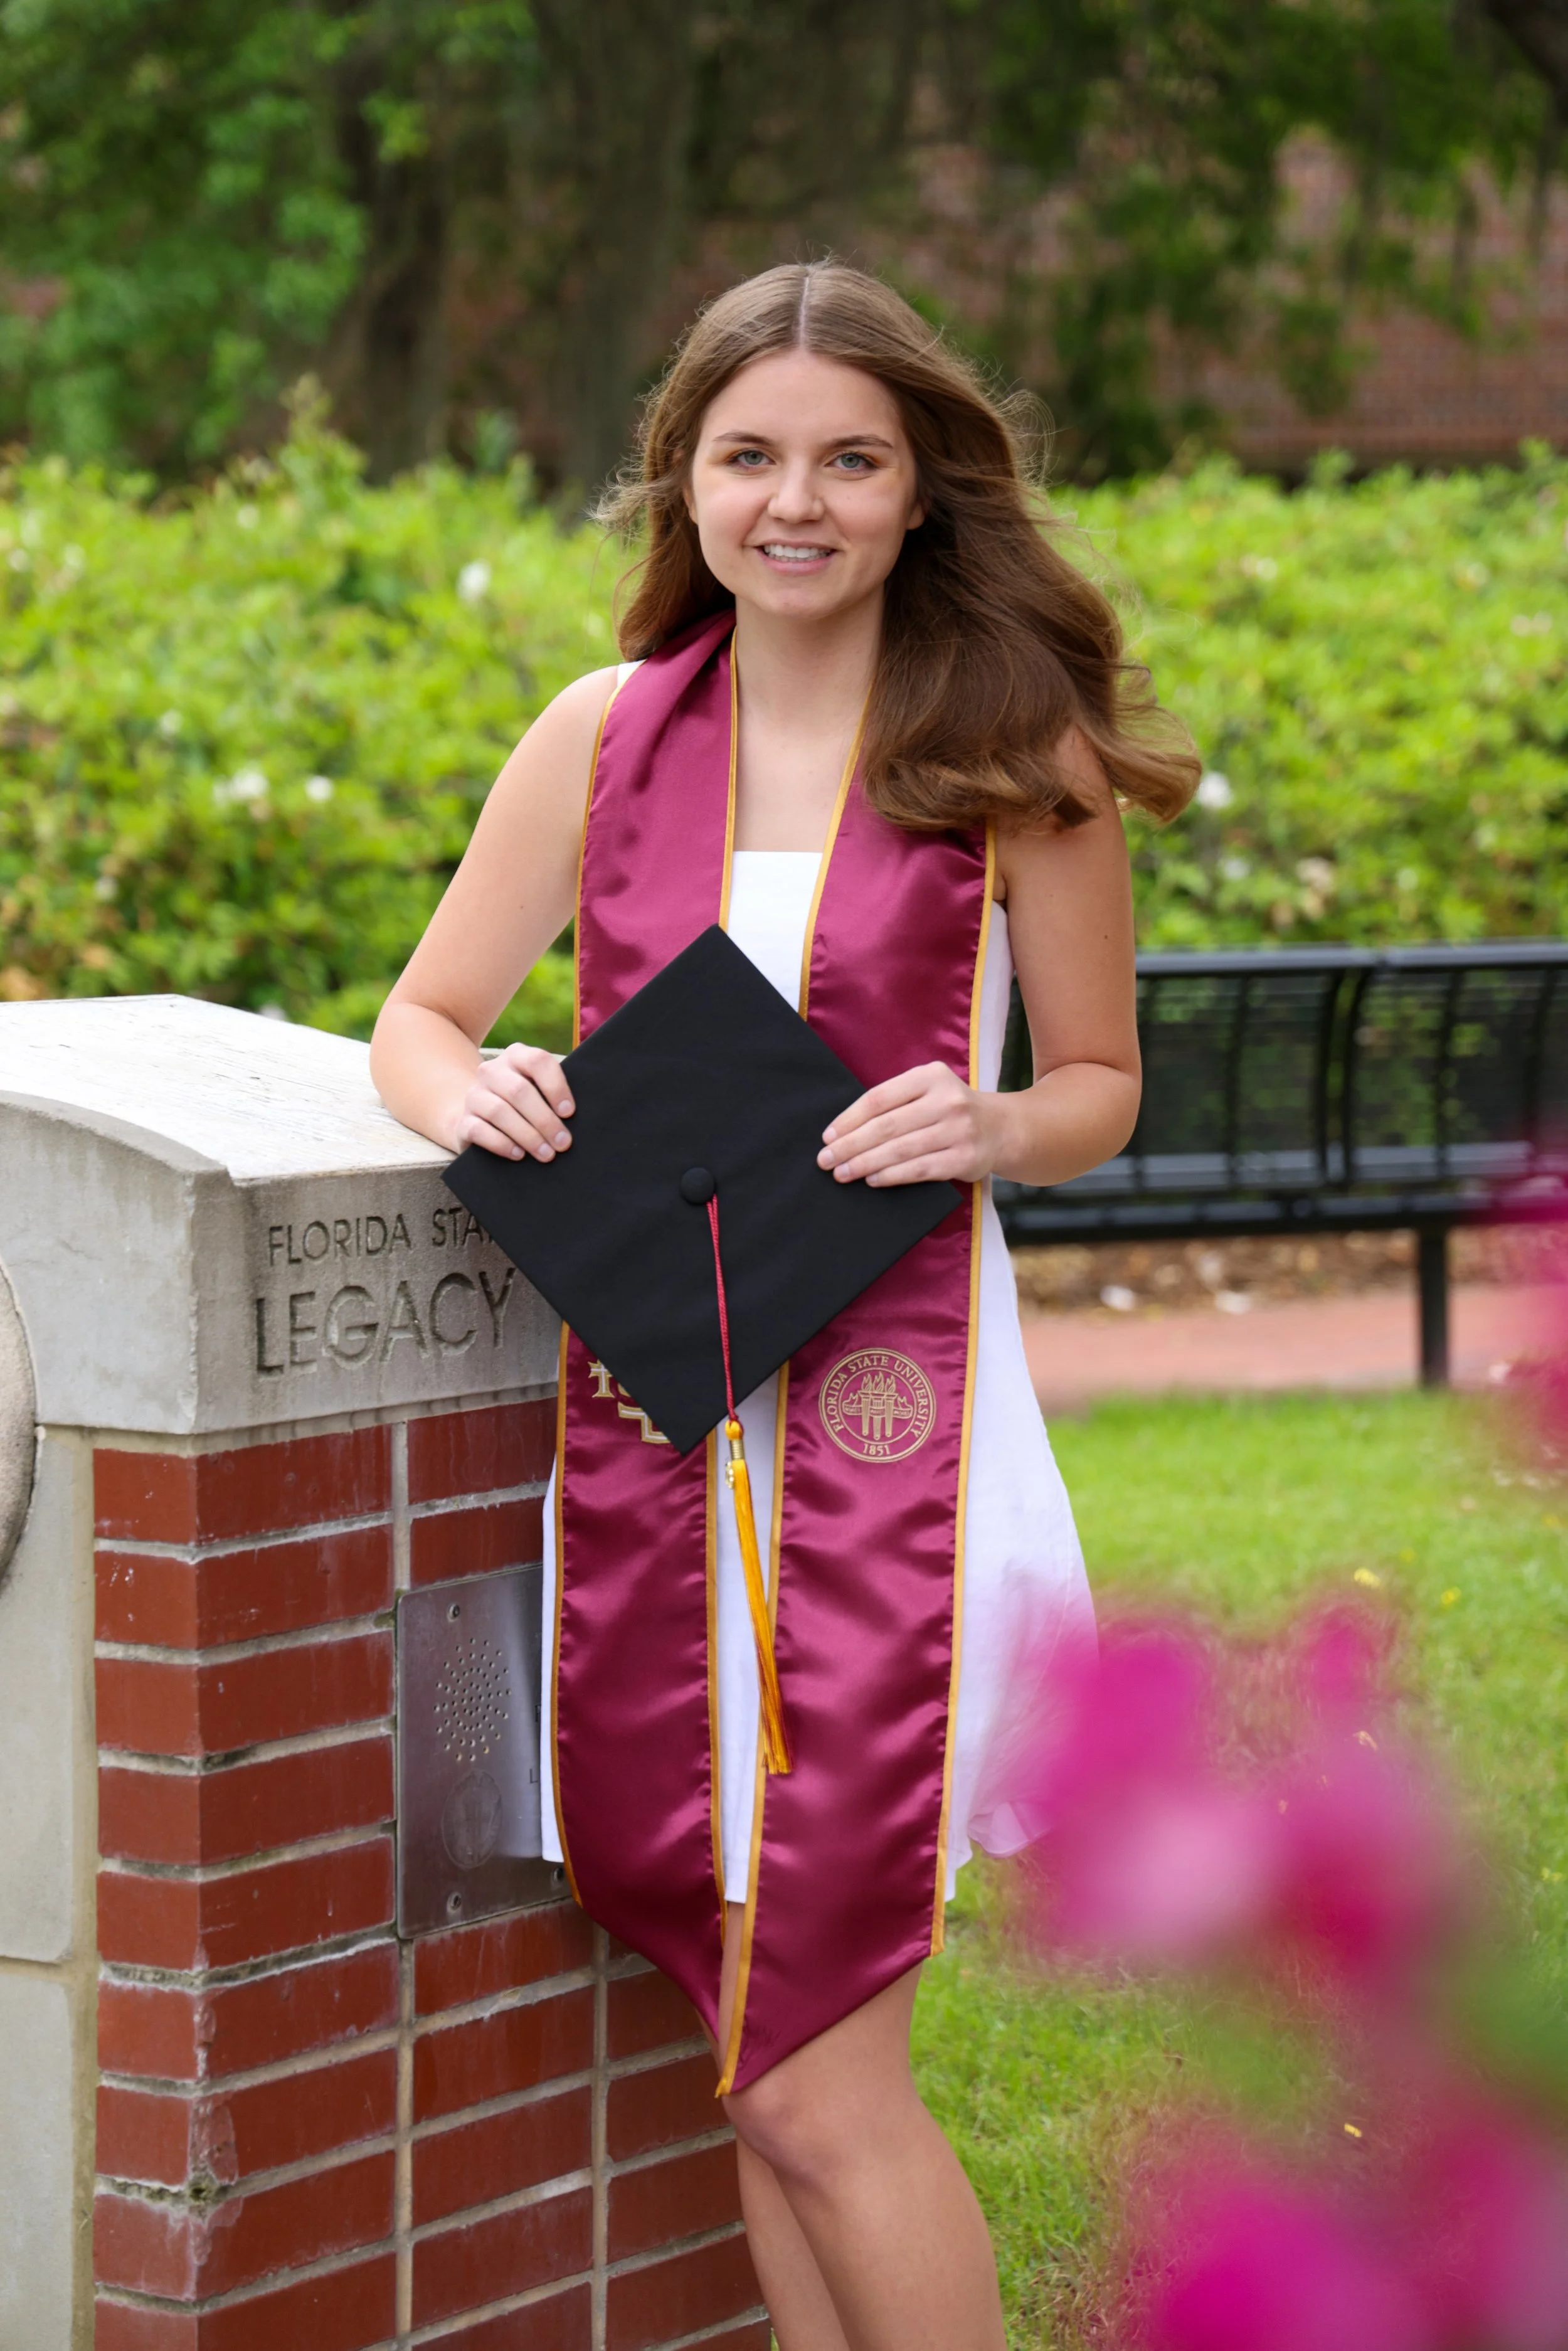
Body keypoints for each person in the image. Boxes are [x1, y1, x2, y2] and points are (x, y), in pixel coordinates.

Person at [371, 260, 1197, 2351]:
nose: (795, 500)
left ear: (925, 490)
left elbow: (1096, 1087)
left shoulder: (1016, 755)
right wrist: (476, 1081)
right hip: (666, 1431)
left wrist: (981, 1125)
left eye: (850, 458)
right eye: (750, 456)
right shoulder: (606, 732)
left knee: (822, 2069)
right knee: (756, 2066)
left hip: (892, 1463)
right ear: (686, 477)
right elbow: (423, 1012)